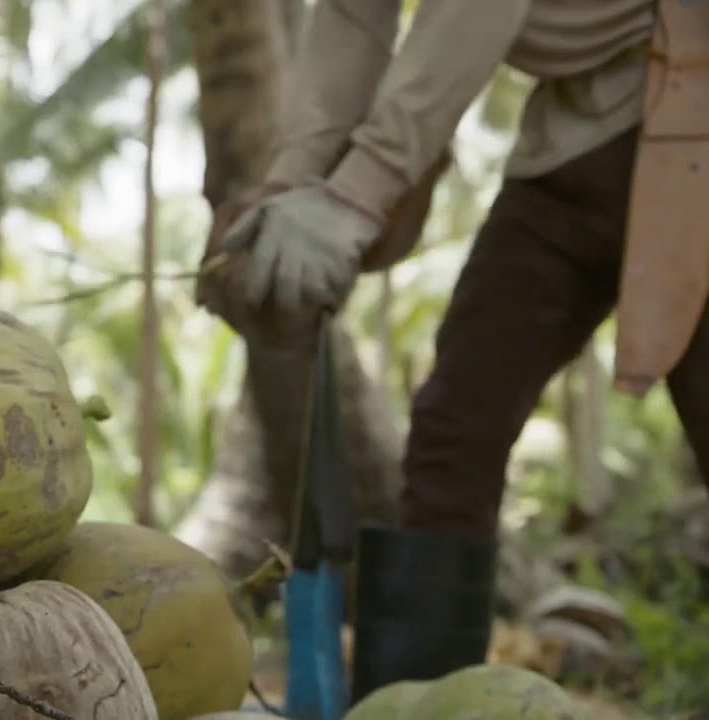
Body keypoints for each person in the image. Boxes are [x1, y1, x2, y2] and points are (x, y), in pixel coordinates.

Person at [194, 0, 707, 705]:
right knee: (454, 427)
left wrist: (355, 197)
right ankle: (417, 707)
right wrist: (287, 189)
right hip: (573, 145)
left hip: (691, 117)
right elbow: (352, 17)